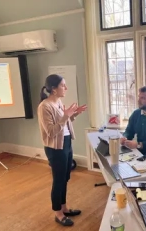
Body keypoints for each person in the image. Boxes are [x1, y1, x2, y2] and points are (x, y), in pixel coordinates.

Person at [37, 74, 87, 227]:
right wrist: (66, 116)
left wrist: (74, 114)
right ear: (53, 89)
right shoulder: (44, 107)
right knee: (58, 180)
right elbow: (51, 131)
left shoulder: (58, 102)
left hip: (65, 143)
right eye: (63, 85)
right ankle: (58, 213)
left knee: (65, 178)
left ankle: (64, 207)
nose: (66, 88)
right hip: (55, 148)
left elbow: (64, 124)